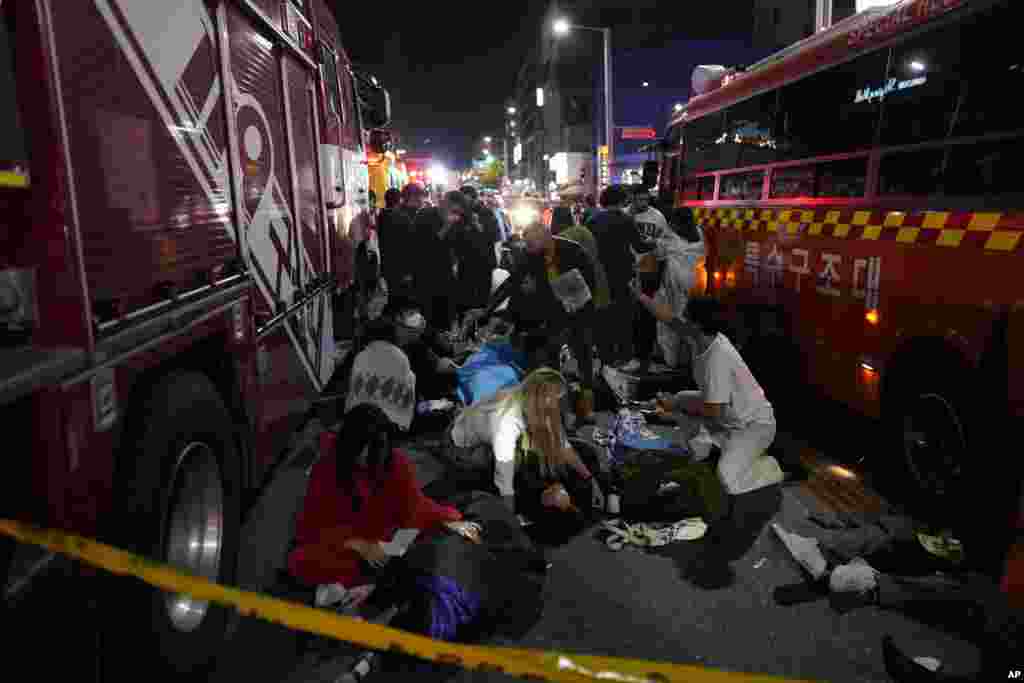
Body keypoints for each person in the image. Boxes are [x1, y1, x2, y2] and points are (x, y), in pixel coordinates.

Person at [287, 402, 477, 592]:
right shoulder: (326, 467)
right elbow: (313, 527)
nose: (364, 457)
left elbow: (413, 508)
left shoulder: (397, 464)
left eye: (373, 450)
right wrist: (356, 544)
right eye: (359, 448)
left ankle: (363, 583)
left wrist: (447, 520)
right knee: (301, 561)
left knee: (424, 547)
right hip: (344, 543)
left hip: (383, 541)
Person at [635, 293, 784, 497]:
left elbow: (714, 412)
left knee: (726, 477)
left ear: (697, 324)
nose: (681, 318)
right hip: (727, 410)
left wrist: (673, 411)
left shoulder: (717, 358)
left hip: (753, 426)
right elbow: (669, 319)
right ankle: (713, 445)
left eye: (686, 315)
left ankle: (770, 468)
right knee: (681, 399)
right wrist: (641, 297)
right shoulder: (700, 337)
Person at [439, 368, 604, 538]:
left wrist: (591, 480)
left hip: (492, 435)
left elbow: (563, 445)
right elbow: (505, 481)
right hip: (463, 451)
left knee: (546, 455)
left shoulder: (536, 402)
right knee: (520, 466)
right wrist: (511, 521)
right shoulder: (507, 423)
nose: (555, 406)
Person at [481, 221, 598, 418]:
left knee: (584, 358)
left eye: (530, 244)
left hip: (579, 312)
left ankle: (587, 408)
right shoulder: (530, 255)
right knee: (551, 359)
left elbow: (588, 287)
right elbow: (512, 283)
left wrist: (575, 310)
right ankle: (558, 408)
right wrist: (487, 310)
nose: (527, 248)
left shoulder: (574, 251)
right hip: (552, 315)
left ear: (544, 238)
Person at [588, 184, 652, 368]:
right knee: (623, 316)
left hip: (600, 274)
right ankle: (624, 356)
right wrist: (654, 243)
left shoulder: (592, 220)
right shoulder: (626, 220)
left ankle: (605, 357)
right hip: (622, 273)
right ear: (621, 200)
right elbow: (640, 246)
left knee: (603, 315)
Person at [406, 184, 458, 332]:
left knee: (444, 316)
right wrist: (446, 226)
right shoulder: (425, 215)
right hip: (426, 276)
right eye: (452, 209)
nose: (453, 213)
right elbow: (426, 247)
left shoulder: (453, 220)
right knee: (429, 316)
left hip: (445, 275)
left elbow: (455, 247)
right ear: (444, 204)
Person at [450, 189, 498, 318]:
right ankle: (465, 326)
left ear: (473, 198)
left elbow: (493, 236)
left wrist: (477, 225)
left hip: (483, 263)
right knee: (464, 300)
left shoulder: (486, 213)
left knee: (481, 302)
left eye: (465, 199)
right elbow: (455, 238)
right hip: (465, 264)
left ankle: (479, 325)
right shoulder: (460, 214)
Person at [378, 187, 417, 302]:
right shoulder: (402, 217)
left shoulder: (381, 216)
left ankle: (392, 307)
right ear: (399, 200)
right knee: (399, 294)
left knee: (392, 292)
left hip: (386, 260)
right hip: (400, 263)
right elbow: (410, 239)